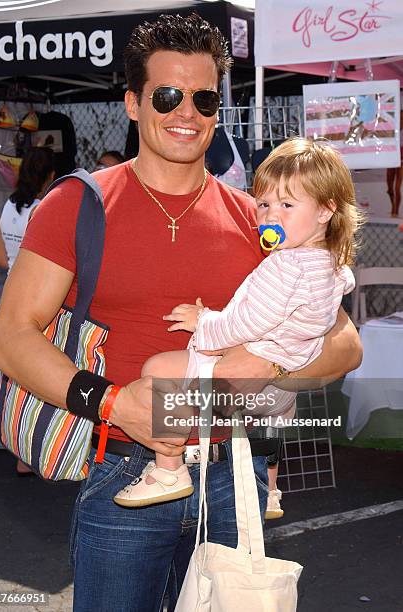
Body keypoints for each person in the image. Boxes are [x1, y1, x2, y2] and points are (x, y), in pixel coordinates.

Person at [0, 14, 362, 612]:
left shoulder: (256, 219)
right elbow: (11, 339)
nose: (186, 112)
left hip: (232, 477)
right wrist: (113, 403)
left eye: (204, 97)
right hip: (125, 473)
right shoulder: (78, 204)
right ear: (133, 103)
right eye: (167, 95)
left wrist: (259, 372)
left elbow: (344, 343)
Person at [113, 138, 359, 511]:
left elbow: (245, 324)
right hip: (284, 389)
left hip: (245, 376)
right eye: (264, 204)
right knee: (275, 420)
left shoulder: (286, 265)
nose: (270, 215)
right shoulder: (331, 264)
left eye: (287, 205)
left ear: (326, 210)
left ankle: (167, 470)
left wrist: (203, 322)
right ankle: (271, 489)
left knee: (158, 371)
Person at [0, 146, 54, 476]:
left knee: (15, 375)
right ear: (49, 175)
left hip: (9, 292)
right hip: (38, 293)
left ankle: (18, 449)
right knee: (40, 374)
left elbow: (1, 259)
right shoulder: (47, 208)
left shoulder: (7, 206)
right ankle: (32, 451)